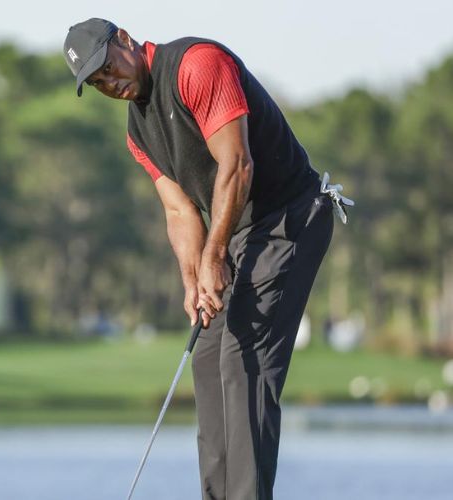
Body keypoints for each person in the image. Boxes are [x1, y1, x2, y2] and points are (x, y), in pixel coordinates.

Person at [63, 18, 352, 500]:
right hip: (235, 232)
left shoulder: (197, 65)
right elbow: (179, 211)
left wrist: (214, 256)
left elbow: (237, 165)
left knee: (245, 360)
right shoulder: (139, 130)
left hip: (289, 218)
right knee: (208, 358)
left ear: (126, 41)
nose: (110, 84)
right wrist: (194, 277)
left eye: (108, 67)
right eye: (97, 83)